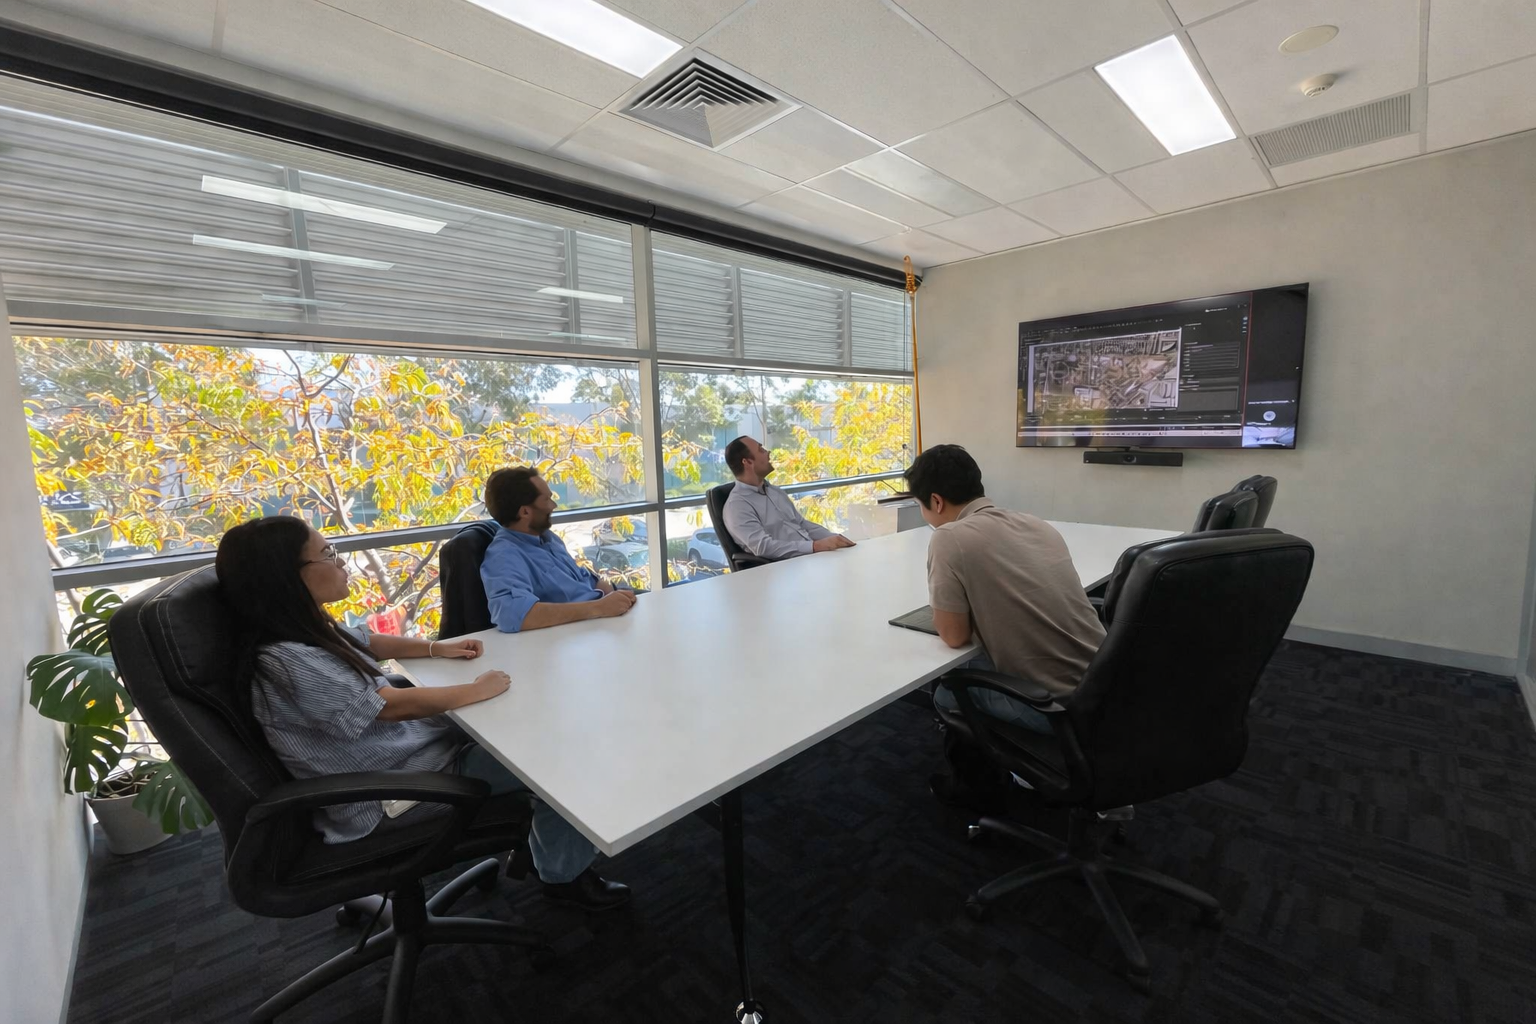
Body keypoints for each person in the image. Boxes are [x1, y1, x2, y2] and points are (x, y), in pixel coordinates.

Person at [217, 515, 630, 911]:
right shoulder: (287, 661)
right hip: (393, 793)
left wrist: (437, 648)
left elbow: (368, 641)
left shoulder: (298, 630)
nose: (340, 561)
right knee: (564, 755)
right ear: (288, 576)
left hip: (409, 758)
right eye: (328, 554)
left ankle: (542, 846)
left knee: (534, 718)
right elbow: (389, 707)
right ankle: (563, 878)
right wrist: (472, 690)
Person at [903, 444, 1106, 811]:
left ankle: (975, 789)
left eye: (919, 506)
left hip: (1061, 709)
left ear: (935, 501)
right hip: (1109, 688)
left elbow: (954, 635)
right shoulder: (1035, 523)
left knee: (948, 689)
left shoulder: (949, 537)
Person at [479, 466, 637, 632]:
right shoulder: (504, 556)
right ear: (525, 512)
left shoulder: (546, 537)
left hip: (603, 619)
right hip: (581, 633)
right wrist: (598, 608)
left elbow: (582, 580)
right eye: (546, 500)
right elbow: (512, 615)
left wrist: (615, 594)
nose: (553, 506)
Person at [721, 436, 855, 561]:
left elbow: (802, 524)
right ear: (748, 462)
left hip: (809, 559)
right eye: (761, 450)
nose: (768, 452)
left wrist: (835, 539)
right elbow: (763, 547)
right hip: (784, 570)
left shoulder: (774, 492)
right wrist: (814, 547)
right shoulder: (737, 506)